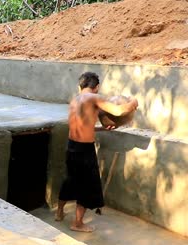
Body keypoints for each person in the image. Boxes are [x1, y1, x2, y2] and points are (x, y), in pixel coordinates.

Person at [55, 72, 138, 233]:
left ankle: (59, 213)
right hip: (85, 150)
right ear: (96, 87)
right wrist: (133, 102)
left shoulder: (75, 100)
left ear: (81, 86)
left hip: (71, 146)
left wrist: (101, 128)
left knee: (70, 181)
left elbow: (83, 126)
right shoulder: (93, 98)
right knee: (87, 185)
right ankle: (77, 223)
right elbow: (119, 111)